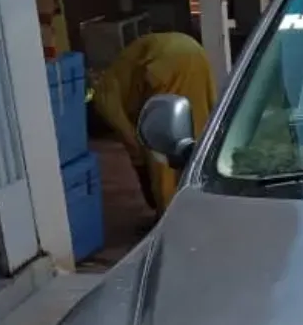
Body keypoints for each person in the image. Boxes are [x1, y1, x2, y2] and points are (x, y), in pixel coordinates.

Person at [90, 30, 217, 214]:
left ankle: (169, 215)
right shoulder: (119, 78)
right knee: (198, 129)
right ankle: (205, 198)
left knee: (162, 151)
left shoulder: (104, 101)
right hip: (193, 51)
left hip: (166, 63)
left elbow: (133, 142)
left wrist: (143, 167)